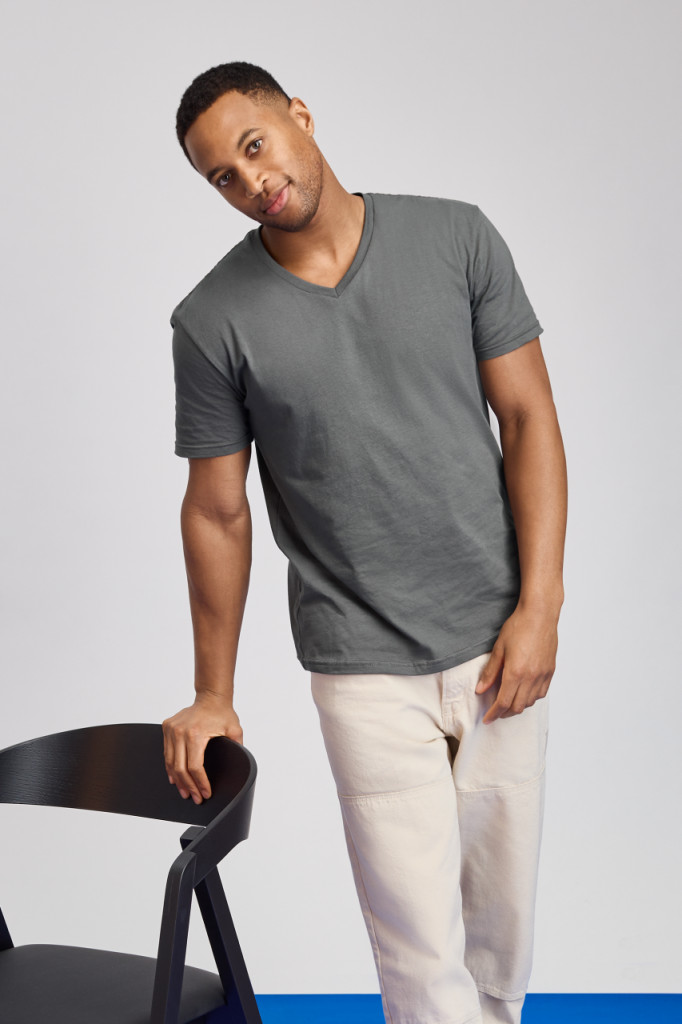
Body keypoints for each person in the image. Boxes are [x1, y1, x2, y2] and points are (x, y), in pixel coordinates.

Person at [162, 60, 567, 1024]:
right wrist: (213, 692)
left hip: (500, 645)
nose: (252, 180)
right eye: (222, 176)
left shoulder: (456, 236)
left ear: (299, 115)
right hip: (361, 667)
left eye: (254, 146)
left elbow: (528, 419)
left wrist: (541, 606)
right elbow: (217, 510)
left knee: (500, 946)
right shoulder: (211, 321)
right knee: (420, 959)